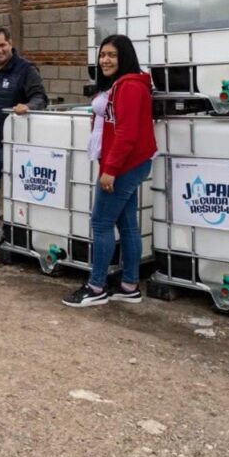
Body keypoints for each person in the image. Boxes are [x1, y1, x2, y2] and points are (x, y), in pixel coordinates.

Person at [63, 35, 156, 307]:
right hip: (125, 162)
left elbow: (126, 133)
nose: (105, 59)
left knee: (101, 223)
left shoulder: (130, 86)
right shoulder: (123, 84)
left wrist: (111, 169)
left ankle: (96, 287)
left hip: (125, 164)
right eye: (103, 54)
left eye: (112, 55)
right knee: (127, 224)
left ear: (124, 57)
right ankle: (129, 285)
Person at [0, 27, 48, 251]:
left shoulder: (25, 69)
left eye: (2, 45)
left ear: (10, 44)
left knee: (14, 194)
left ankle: (12, 236)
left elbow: (41, 97)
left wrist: (28, 106)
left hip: (13, 147)